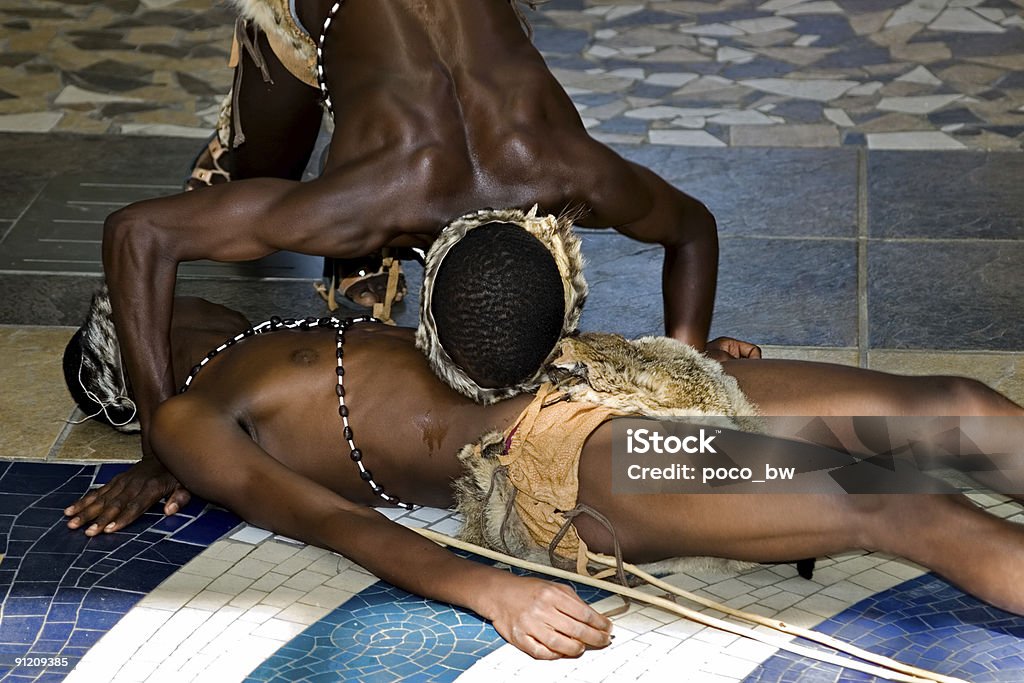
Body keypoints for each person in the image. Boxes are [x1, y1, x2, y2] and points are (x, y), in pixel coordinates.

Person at [63, 294, 1024, 660]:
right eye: (138, 303)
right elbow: (338, 526)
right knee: (890, 498)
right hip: (566, 460)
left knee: (957, 410)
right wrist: (492, 590)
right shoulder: (193, 421)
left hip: (614, 371)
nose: (175, 295)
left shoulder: (295, 318)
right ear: (125, 350)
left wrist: (688, 352)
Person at [101, 0, 727, 483]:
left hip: (394, 163)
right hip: (345, 94)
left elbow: (694, 228)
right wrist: (163, 444)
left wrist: (685, 365)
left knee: (336, 190)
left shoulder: (573, 175)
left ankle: (339, 191)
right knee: (261, 171)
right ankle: (227, 152)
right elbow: (136, 231)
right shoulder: (377, 203)